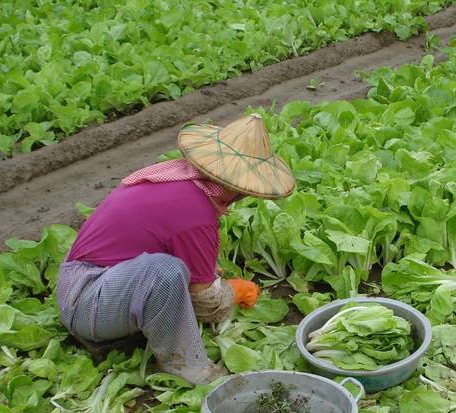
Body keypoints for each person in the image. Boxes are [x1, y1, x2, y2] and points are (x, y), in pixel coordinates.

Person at [56, 114, 296, 385]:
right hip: (87, 305)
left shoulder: (177, 178)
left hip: (81, 282)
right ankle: (186, 367)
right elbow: (208, 306)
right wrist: (233, 291)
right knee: (166, 271)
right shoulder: (195, 211)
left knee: (172, 269)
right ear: (239, 188)